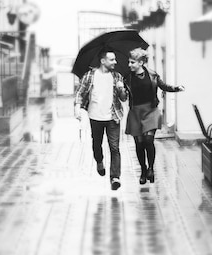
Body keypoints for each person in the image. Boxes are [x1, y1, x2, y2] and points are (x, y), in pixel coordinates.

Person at [124, 48, 185, 185]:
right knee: (139, 144)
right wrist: (120, 89)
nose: (129, 65)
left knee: (148, 140)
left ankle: (151, 168)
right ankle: (143, 170)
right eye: (129, 62)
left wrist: (176, 88)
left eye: (132, 62)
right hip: (135, 112)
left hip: (150, 111)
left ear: (140, 62)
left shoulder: (152, 75)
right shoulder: (127, 77)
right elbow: (122, 96)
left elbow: (163, 86)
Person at [74, 49, 128, 190]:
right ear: (103, 61)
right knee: (96, 144)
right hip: (95, 117)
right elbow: (80, 92)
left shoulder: (117, 77)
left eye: (115, 59)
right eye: (112, 60)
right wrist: (77, 108)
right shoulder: (90, 75)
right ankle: (99, 161)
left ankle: (115, 177)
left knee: (114, 147)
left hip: (113, 116)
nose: (115, 62)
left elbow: (123, 98)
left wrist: (121, 89)